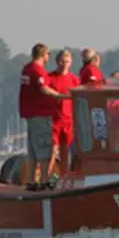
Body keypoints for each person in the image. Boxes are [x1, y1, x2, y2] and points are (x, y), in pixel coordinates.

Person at [19, 43, 70, 190]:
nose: (48, 57)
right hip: (40, 114)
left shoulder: (26, 68)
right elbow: (43, 88)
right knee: (44, 150)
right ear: (43, 55)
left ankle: (30, 180)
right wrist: (60, 96)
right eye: (48, 54)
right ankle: (43, 180)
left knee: (33, 151)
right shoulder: (38, 70)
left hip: (30, 114)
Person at [47, 49, 80, 177]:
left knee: (65, 151)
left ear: (71, 63)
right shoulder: (50, 78)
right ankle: (46, 176)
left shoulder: (74, 80)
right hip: (53, 119)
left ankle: (63, 177)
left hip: (68, 120)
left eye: (67, 61)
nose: (64, 64)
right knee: (52, 150)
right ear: (57, 62)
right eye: (62, 61)